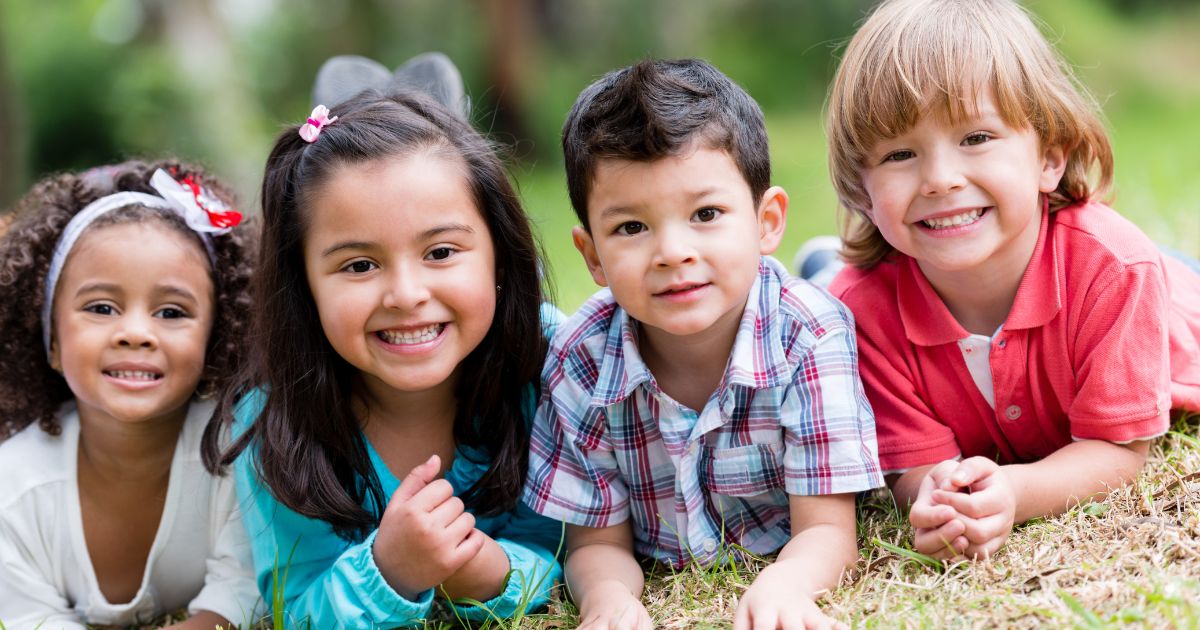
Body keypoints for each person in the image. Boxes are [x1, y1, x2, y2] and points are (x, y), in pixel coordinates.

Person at [823, 0, 1200, 561]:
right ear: (862, 191)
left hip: (1172, 298)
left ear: (1049, 157)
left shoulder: (1117, 272)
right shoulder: (856, 315)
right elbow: (917, 463)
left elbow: (1118, 450)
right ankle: (820, 261)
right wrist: (940, 500)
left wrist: (1016, 493)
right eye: (900, 154)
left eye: (976, 138)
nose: (941, 180)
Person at [523, 58, 883, 630]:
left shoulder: (810, 336)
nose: (673, 252)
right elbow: (597, 544)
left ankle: (826, 264)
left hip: (798, 308)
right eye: (631, 228)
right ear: (591, 255)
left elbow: (826, 530)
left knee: (827, 288)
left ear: (767, 221)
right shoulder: (579, 363)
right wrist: (608, 599)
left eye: (706, 214)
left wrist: (787, 583)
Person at [202, 88, 564, 627]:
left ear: (500, 257)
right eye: (359, 266)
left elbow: (574, 544)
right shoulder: (278, 418)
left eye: (440, 253)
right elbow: (297, 607)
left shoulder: (550, 360)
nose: (405, 294)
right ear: (304, 288)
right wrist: (389, 569)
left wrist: (488, 573)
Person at [0, 160, 260, 628]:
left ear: (215, 339)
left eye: (171, 312)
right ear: (52, 342)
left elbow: (243, 589)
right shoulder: (12, 490)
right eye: (102, 307)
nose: (136, 333)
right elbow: (28, 616)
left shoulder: (238, 454)